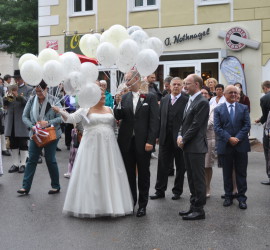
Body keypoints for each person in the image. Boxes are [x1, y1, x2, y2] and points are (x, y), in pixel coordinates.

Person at [53, 91, 134, 218]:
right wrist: (59, 111)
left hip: (109, 146)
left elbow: (114, 126)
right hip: (91, 145)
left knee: (109, 172)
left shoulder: (109, 109)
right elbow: (70, 119)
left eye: (103, 96)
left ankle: (111, 204)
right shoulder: (85, 109)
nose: (103, 97)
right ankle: (90, 205)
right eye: (100, 96)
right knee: (92, 172)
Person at [114, 70, 159, 217]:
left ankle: (142, 205)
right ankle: (131, 202)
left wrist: (150, 141)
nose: (126, 83)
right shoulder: (125, 97)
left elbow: (154, 121)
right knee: (129, 173)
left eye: (128, 80)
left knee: (144, 173)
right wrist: (118, 103)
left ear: (137, 79)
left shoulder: (150, 97)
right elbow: (119, 116)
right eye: (125, 80)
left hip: (143, 142)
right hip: (126, 141)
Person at [17, 80, 62, 195]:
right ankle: (25, 187)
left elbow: (61, 118)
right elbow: (24, 116)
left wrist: (47, 122)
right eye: (36, 92)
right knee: (31, 159)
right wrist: (32, 127)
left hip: (51, 134)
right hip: (35, 134)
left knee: (50, 159)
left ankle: (55, 186)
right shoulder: (32, 100)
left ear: (46, 89)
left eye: (40, 92)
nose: (38, 94)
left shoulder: (54, 100)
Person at [177, 74, 209, 221]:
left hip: (196, 146)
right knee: (190, 178)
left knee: (198, 179)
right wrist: (179, 135)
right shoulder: (190, 100)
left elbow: (196, 125)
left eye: (187, 83)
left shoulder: (202, 102)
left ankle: (199, 210)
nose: (184, 86)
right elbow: (184, 123)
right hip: (188, 146)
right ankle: (193, 206)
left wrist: (183, 138)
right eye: (184, 83)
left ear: (197, 85)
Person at [150, 77, 188, 200]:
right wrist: (156, 135)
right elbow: (159, 119)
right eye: (174, 84)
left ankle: (177, 191)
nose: (176, 86)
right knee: (162, 165)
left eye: (178, 84)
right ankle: (159, 190)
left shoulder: (186, 100)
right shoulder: (164, 99)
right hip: (164, 138)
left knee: (180, 166)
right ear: (170, 86)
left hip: (179, 139)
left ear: (182, 86)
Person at [214, 85, 250, 209]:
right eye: (231, 92)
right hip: (226, 145)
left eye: (236, 92)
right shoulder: (218, 109)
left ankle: (242, 198)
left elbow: (247, 125)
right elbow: (217, 128)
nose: (234, 94)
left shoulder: (244, 108)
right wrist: (229, 138)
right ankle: (228, 196)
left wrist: (237, 138)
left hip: (241, 145)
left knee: (241, 173)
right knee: (227, 172)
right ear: (224, 94)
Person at [4, 70, 32, 174]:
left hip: (22, 120)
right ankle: (15, 164)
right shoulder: (9, 88)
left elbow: (28, 102)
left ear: (23, 79)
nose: (17, 80)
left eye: (19, 78)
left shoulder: (28, 89)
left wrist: (17, 95)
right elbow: (5, 104)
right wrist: (7, 97)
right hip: (11, 120)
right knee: (13, 143)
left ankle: (23, 164)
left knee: (23, 143)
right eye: (16, 78)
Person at [255, 80, 270, 185]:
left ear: (265, 87)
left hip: (269, 130)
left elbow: (265, 117)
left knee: (268, 153)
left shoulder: (264, 98)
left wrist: (259, 120)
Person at [201, 86, 215, 198]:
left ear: (209, 96)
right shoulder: (192, 105)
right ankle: (198, 187)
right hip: (195, 139)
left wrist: (194, 129)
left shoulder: (212, 108)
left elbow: (210, 122)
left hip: (208, 139)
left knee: (207, 166)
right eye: (201, 93)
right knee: (196, 166)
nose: (204, 95)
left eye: (206, 93)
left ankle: (207, 186)